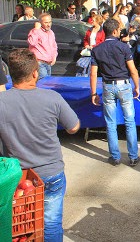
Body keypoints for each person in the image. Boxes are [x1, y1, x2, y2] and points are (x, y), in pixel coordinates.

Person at [0, 48, 80, 241]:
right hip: (51, 172)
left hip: (18, 176)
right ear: (35, 73)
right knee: (51, 222)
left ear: (11, 74)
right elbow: (74, 127)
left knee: (22, 226)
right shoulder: (52, 98)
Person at [90, 19, 140, 167]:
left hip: (107, 86)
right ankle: (133, 157)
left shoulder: (97, 50)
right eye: (119, 30)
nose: (120, 32)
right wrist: (136, 86)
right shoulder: (123, 47)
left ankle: (115, 157)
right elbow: (133, 70)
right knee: (130, 121)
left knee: (110, 123)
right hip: (124, 85)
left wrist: (93, 93)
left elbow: (93, 74)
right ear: (114, 31)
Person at [27, 13, 58, 79]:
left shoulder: (51, 32)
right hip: (39, 62)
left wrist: (54, 56)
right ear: (40, 23)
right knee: (43, 83)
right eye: (46, 22)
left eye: (50, 22)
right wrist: (36, 29)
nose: (48, 24)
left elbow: (54, 46)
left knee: (48, 83)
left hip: (48, 63)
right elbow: (32, 43)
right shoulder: (35, 31)